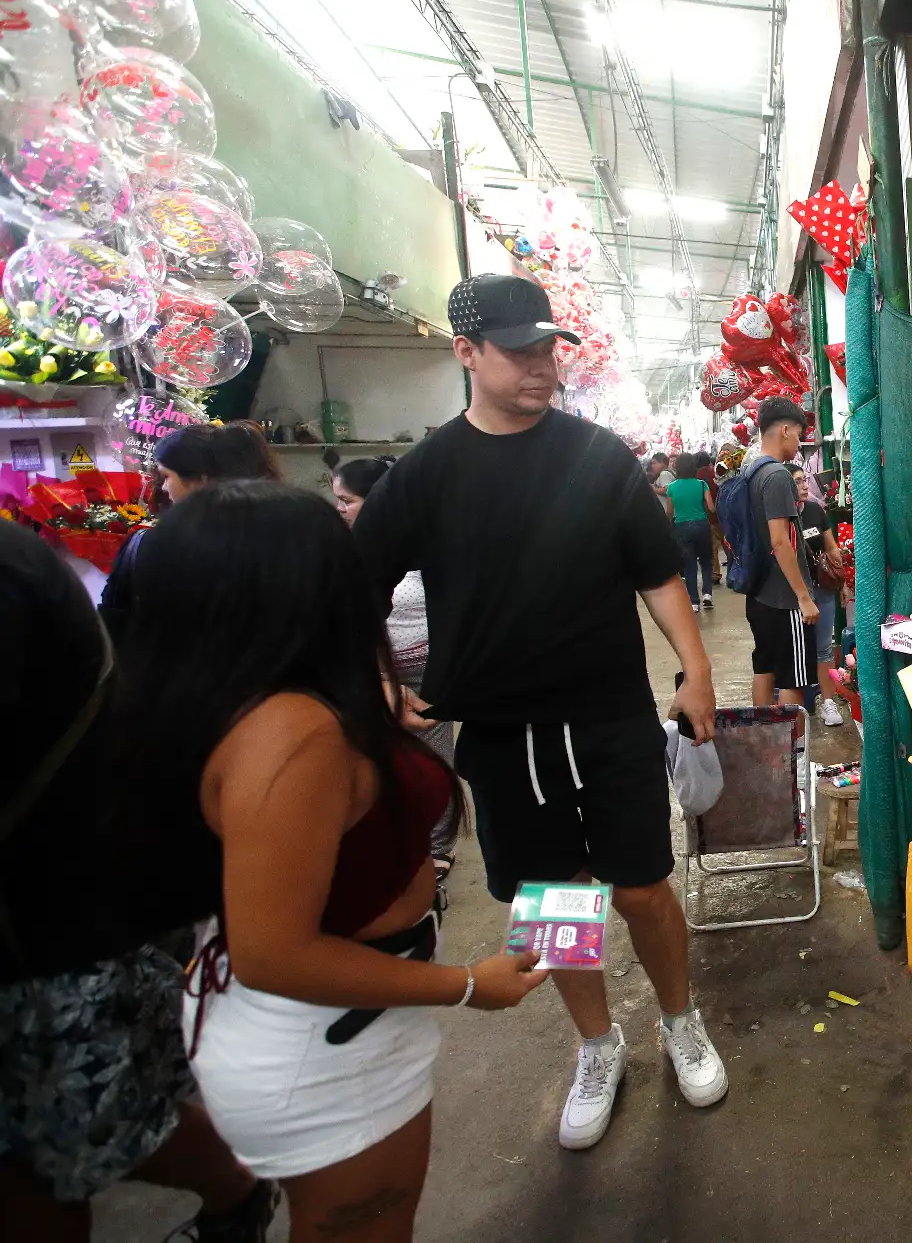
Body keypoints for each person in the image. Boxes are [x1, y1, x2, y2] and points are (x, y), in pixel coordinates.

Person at [109, 482, 544, 1242]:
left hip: (326, 1022)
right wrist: (468, 986)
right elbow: (274, 953)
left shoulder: (241, 700)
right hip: (325, 1041)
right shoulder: (295, 736)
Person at [352, 274, 726, 1152]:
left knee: (640, 885)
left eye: (547, 347)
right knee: (555, 901)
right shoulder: (428, 474)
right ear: (467, 353)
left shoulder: (597, 458)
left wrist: (698, 668)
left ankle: (681, 1019)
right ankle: (598, 1046)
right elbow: (354, 587)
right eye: (516, 350)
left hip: (606, 716)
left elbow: (658, 575)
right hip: (498, 731)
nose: (539, 365)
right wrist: (375, 682)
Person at [0, 518, 277, 1243]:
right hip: (68, 913)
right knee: (42, 1149)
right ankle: (237, 1192)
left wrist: (464, 986)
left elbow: (287, 953)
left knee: (80, 1134)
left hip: (52, 928)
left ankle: (237, 1191)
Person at [333, 457, 460, 892]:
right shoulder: (345, 551)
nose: (340, 510)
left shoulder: (422, 545)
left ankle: (437, 846)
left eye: (346, 501)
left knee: (432, 749)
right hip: (375, 673)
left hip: (428, 672)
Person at [98, 421, 278, 639]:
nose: (163, 488)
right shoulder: (281, 540)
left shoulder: (149, 546)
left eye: (166, 477)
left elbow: (113, 627)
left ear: (200, 480)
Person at [745, 398, 817, 707]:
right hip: (784, 598)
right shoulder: (777, 476)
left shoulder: (751, 471)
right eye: (799, 435)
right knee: (792, 679)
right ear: (784, 430)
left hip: (759, 592)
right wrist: (803, 596)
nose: (799, 442)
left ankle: (764, 744)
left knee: (765, 669)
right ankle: (794, 754)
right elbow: (780, 541)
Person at [789, 462, 847, 726]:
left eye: (804, 481)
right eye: (797, 482)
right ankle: (797, 705)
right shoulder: (780, 517)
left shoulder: (814, 511)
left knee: (824, 647)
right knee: (796, 651)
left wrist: (842, 582)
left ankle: (828, 701)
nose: (804, 486)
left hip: (822, 589)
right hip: (793, 596)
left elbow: (832, 548)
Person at [665, 453, 716, 611]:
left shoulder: (672, 488)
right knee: (706, 561)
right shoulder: (701, 485)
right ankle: (707, 594)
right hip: (701, 525)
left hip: (682, 527)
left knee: (689, 566)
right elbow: (711, 507)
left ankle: (694, 602)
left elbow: (669, 512)